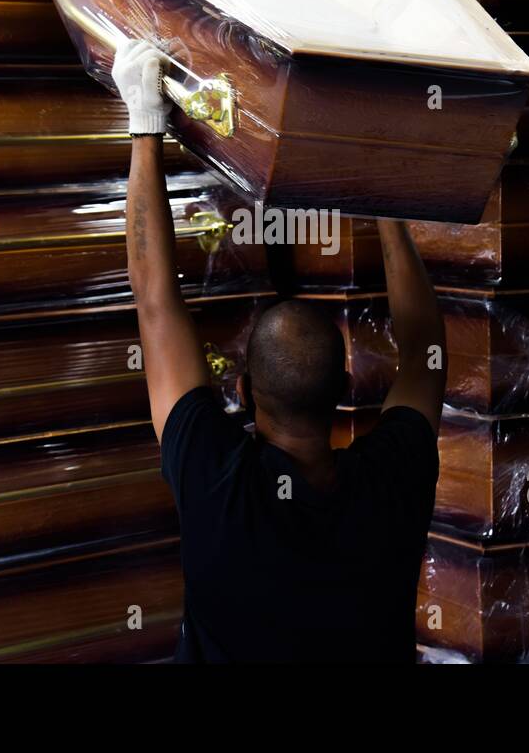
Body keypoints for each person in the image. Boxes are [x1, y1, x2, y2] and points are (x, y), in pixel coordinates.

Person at [115, 38, 446, 663]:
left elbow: (155, 303)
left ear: (243, 392)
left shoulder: (218, 485)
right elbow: (426, 347)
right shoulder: (385, 482)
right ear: (346, 389)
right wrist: (383, 201)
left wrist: (145, 119)